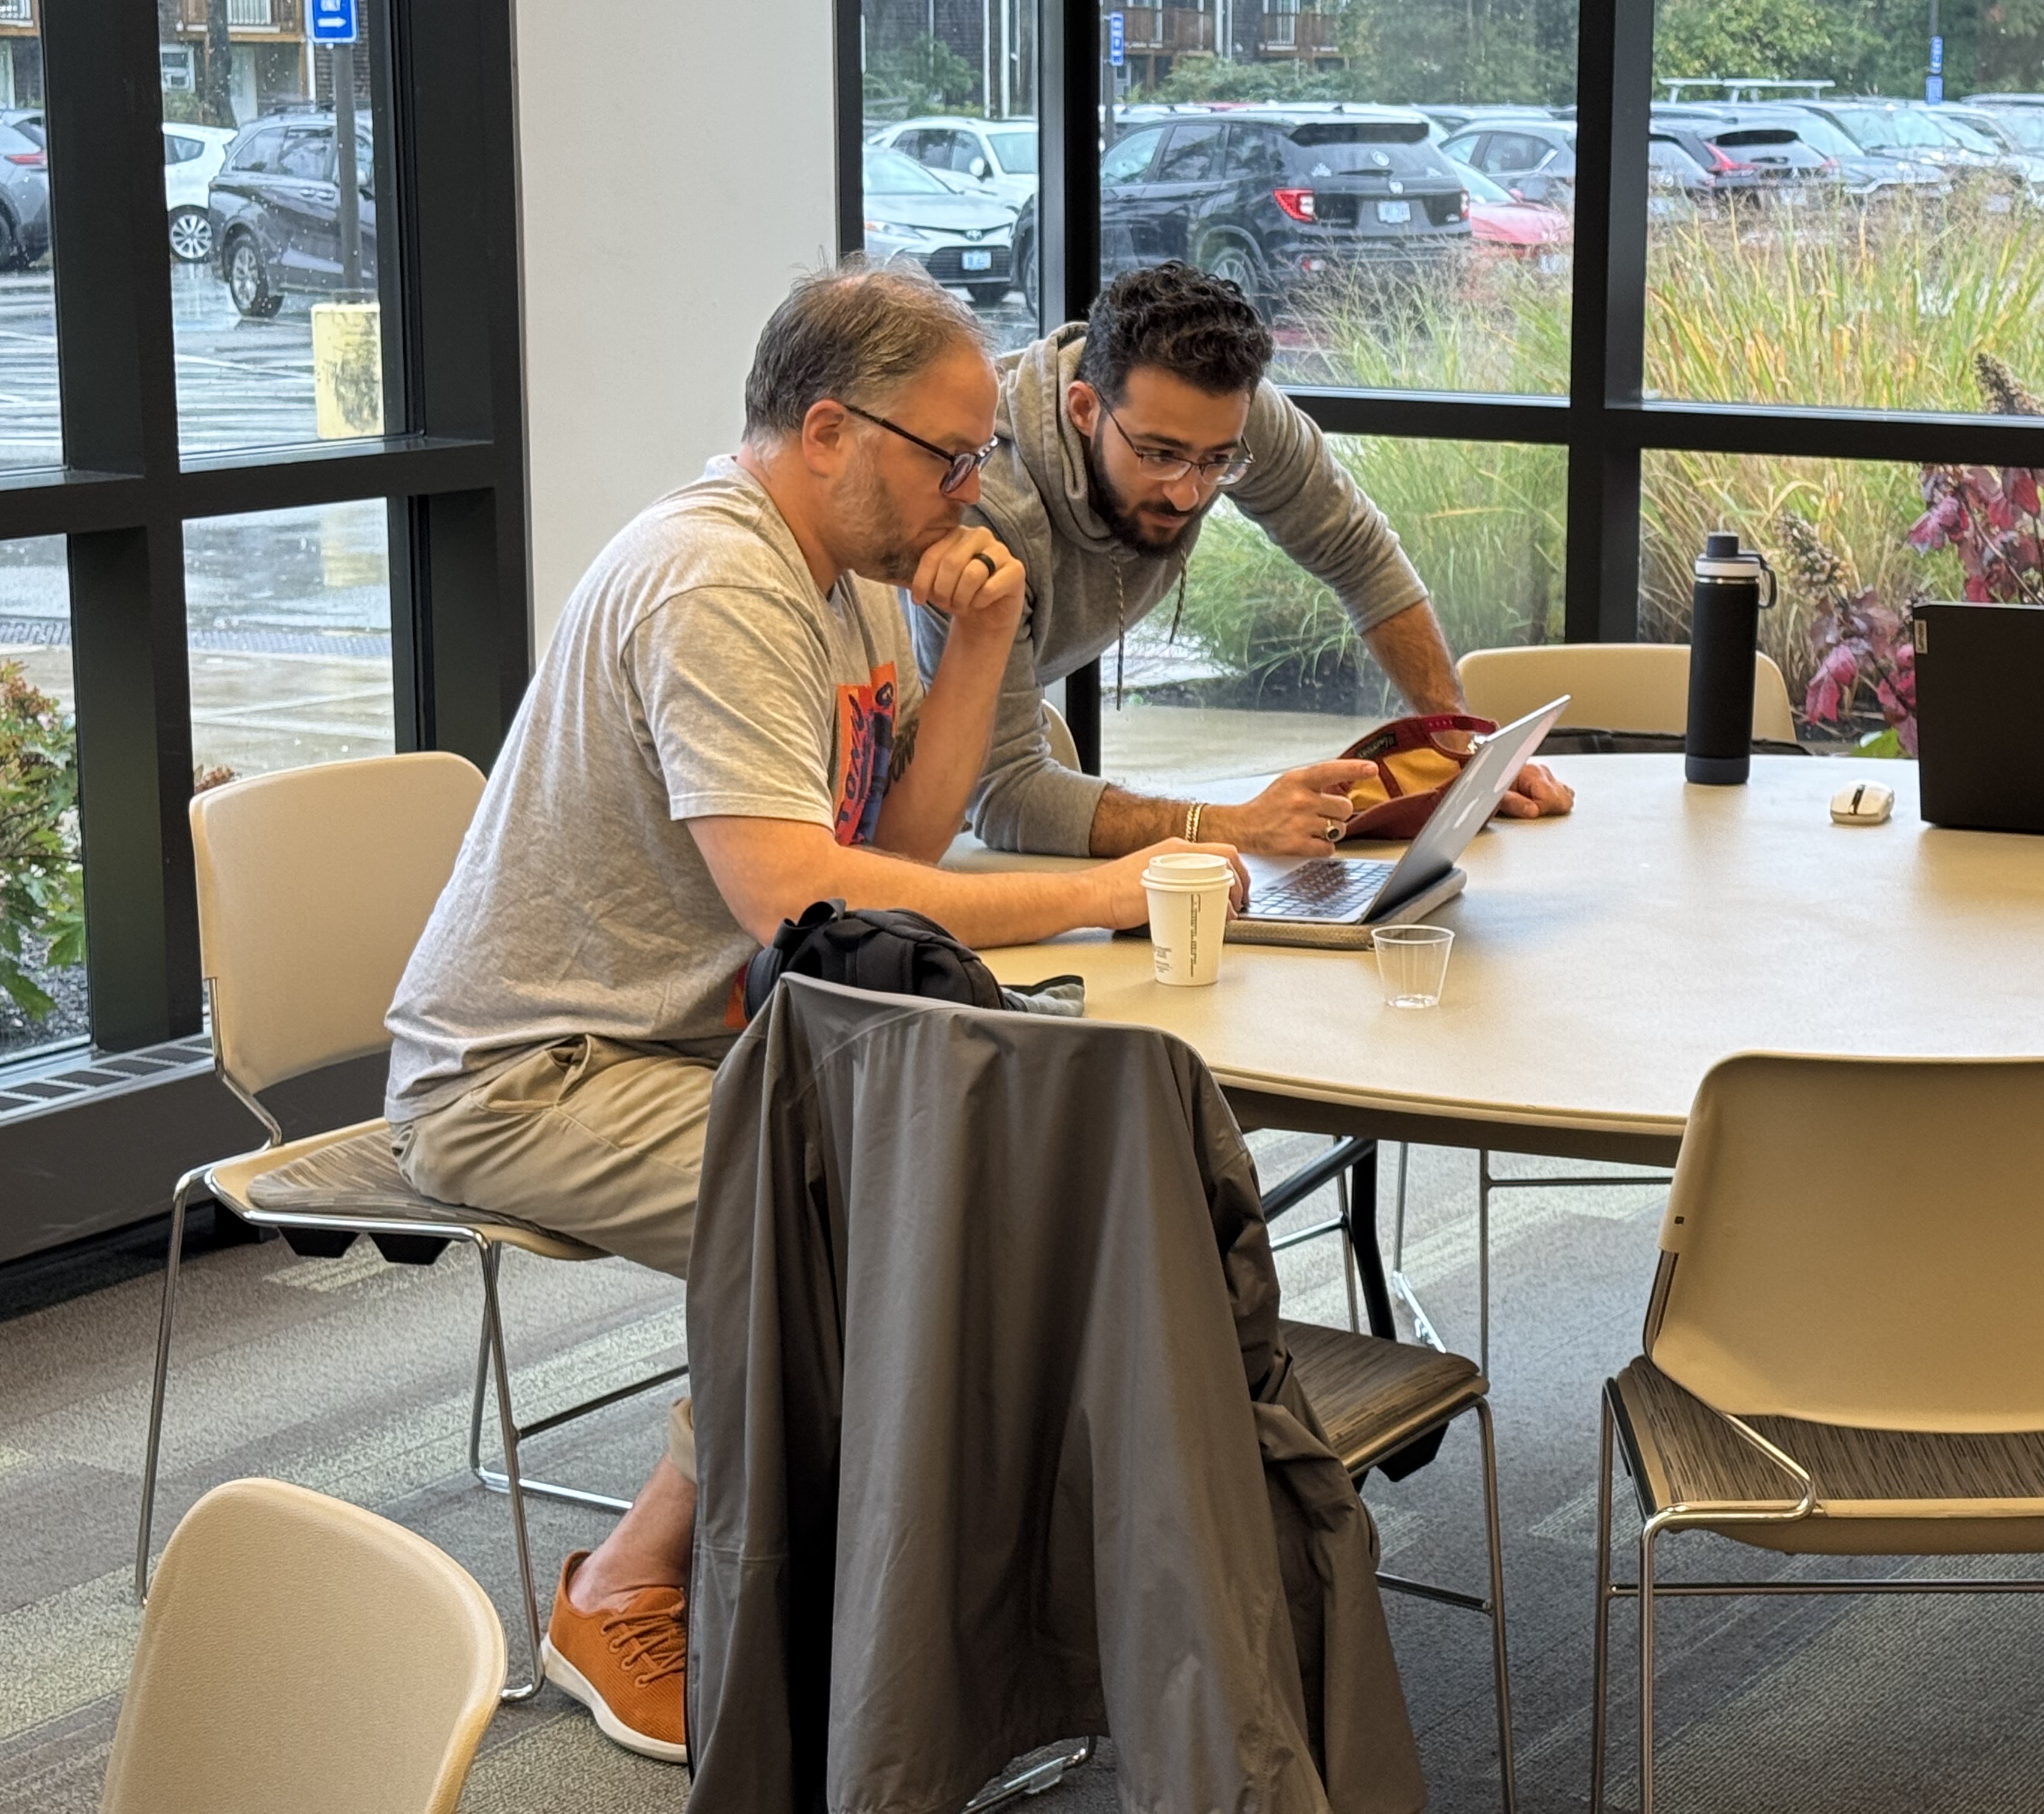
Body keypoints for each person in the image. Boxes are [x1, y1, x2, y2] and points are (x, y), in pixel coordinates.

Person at [383, 265, 1239, 1765]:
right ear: (832, 432)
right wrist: (1108, 894)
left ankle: (915, 1593)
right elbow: (793, 896)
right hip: (529, 1077)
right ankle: (626, 1584)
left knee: (953, 1164)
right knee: (863, 1207)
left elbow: (885, 869)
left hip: (686, 1044)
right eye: (954, 457)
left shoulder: (840, 585)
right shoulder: (718, 581)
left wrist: (983, 646)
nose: (976, 492)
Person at [913, 259, 1575, 860]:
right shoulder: (986, 503)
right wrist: (1231, 825)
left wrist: (1456, 753)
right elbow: (1004, 795)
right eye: (1159, 454)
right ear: (1084, 409)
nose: (1188, 491)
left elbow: (1358, 554)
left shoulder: (1223, 415)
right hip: (880, 778)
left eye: (1216, 462)